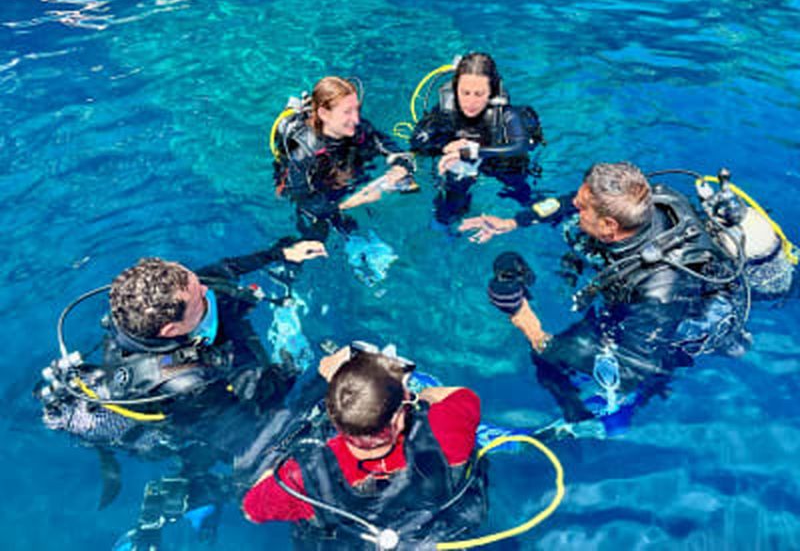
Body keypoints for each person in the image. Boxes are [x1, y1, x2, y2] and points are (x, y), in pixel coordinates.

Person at [35, 238, 327, 548]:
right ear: (170, 331)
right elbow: (249, 438)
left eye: (195, 282)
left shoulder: (147, 308)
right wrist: (318, 380)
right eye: (199, 295)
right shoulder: (188, 383)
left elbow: (219, 271)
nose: (205, 289)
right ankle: (198, 495)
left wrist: (279, 254)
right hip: (183, 424)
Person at [461, 162, 750, 436]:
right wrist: (513, 222)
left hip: (683, 325)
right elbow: (570, 204)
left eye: (582, 206)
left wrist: (530, 326)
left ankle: (597, 420)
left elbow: (631, 370)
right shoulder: (648, 201)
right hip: (648, 296)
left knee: (548, 358)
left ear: (610, 226)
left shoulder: (660, 291)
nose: (573, 203)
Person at [242, 344, 487, 550]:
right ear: (398, 418)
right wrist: (418, 396)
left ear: (334, 418)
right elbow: (456, 395)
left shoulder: (302, 478)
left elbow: (251, 511)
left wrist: (339, 385)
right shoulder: (446, 427)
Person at [274, 76, 417, 241]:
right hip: (316, 188)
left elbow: (389, 147)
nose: (356, 119)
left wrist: (400, 166)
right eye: (347, 112)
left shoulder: (358, 129)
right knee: (322, 232)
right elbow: (302, 200)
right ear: (324, 114)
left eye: (357, 109)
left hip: (343, 170)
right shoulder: (302, 152)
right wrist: (350, 203)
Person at [410, 52, 545, 225]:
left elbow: (520, 145)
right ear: (455, 88)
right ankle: (450, 225)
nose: (470, 102)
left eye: (479, 94)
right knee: (449, 201)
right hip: (465, 161)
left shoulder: (506, 114)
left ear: (492, 92)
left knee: (521, 191)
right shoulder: (447, 110)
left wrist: (471, 152)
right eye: (465, 93)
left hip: (499, 161)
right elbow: (417, 141)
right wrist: (445, 147)